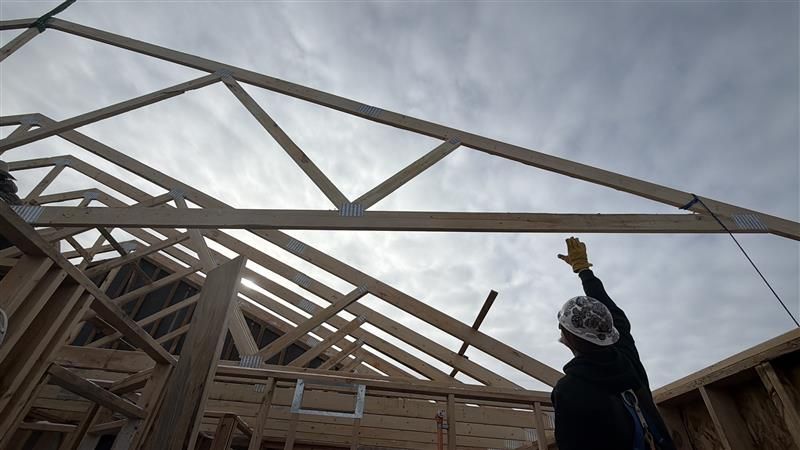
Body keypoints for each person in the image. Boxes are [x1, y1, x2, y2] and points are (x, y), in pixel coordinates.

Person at [551, 237, 675, 450]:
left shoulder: (569, 390)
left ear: (568, 338)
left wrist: (583, 271)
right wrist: (584, 270)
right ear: (609, 331)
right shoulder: (627, 359)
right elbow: (614, 314)